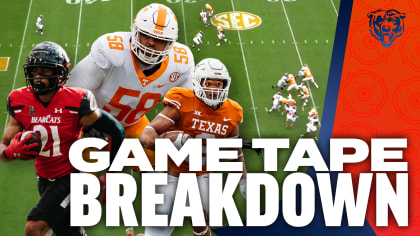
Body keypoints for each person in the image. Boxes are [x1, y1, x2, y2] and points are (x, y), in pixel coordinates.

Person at [0, 41, 125, 236]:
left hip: (74, 175)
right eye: (35, 71)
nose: (38, 77)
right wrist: (9, 151)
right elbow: (3, 149)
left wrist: (112, 172)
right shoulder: (18, 100)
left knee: (33, 229)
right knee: (67, 231)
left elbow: (117, 130)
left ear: (60, 74)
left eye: (46, 71)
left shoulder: (78, 101)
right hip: (44, 177)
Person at [67, 3, 195, 171]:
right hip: (95, 124)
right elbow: (69, 93)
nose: (150, 43)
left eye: (159, 39)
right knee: (79, 177)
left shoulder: (180, 63)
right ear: (135, 31)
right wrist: (85, 123)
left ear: (170, 43)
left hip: (133, 123)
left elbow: (190, 109)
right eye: (145, 35)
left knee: (160, 166)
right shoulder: (111, 52)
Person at [140, 58, 247, 236]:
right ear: (197, 83)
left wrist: (243, 181)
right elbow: (147, 135)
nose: (214, 89)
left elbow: (235, 153)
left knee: (203, 226)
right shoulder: (183, 101)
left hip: (202, 177)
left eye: (218, 84)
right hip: (170, 175)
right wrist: (171, 148)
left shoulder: (233, 112)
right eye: (209, 83)